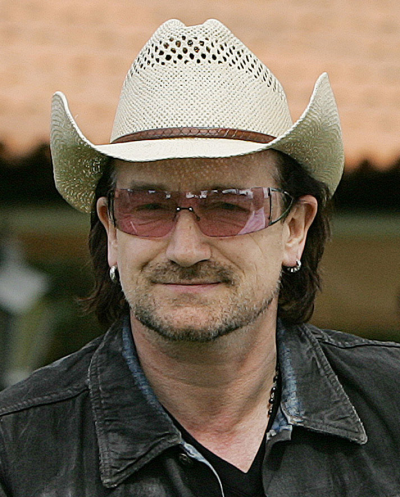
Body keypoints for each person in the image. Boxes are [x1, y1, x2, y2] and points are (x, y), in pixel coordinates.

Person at [0, 19, 399, 497]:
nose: (185, 250)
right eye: (148, 207)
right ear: (110, 230)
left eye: (229, 207)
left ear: (295, 228)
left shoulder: (392, 403)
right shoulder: (16, 452)